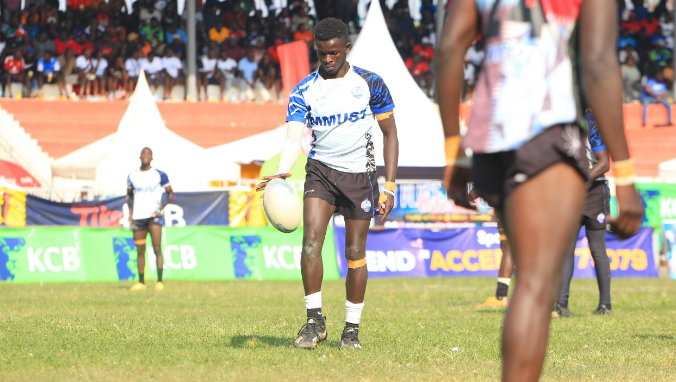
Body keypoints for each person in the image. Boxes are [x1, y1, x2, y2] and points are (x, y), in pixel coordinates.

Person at [437, 1, 644, 381]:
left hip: (489, 141)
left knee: (529, 281)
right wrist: (626, 174)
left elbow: (449, 47)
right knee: (535, 286)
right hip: (547, 130)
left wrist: (455, 152)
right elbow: (598, 63)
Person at [256, 17, 399, 350]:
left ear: (346, 48)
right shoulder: (304, 89)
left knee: (354, 254)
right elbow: (293, 137)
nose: (329, 59)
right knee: (310, 243)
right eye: (322, 53)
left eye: (334, 53)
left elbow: (390, 135)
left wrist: (389, 186)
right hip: (320, 171)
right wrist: (282, 170)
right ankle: (314, 321)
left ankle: (351, 329)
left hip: (359, 177)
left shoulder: (370, 83)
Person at [554, 109, 612, 318]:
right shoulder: (558, 122)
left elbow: (604, 163)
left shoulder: (593, 122)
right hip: (569, 194)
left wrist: (578, 181)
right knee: (566, 249)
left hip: (594, 193)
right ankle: (561, 305)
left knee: (597, 249)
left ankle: (605, 305)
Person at [127, 147, 174, 292]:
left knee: (157, 248)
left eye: (148, 154)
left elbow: (170, 194)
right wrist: (130, 213)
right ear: (140, 156)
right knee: (140, 250)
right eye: (143, 154)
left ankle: (159, 281)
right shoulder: (132, 176)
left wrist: (160, 209)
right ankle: (141, 282)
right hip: (138, 217)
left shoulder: (159, 175)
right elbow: (129, 196)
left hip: (153, 217)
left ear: (152, 158)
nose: (145, 156)